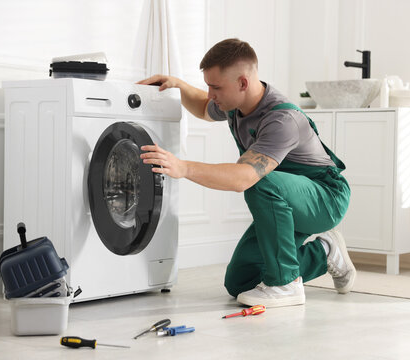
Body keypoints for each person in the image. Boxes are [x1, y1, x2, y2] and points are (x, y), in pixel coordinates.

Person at [138, 38, 356, 308]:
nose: (210, 94)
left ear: (242, 83)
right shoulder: (236, 105)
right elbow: (204, 109)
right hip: (286, 199)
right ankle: (325, 253)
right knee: (241, 282)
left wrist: (183, 167)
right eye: (208, 85)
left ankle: (286, 285)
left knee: (261, 182)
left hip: (324, 198)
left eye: (215, 87)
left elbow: (244, 178)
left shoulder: (280, 119)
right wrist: (177, 84)